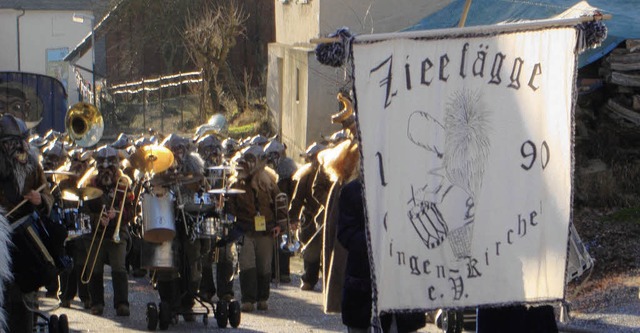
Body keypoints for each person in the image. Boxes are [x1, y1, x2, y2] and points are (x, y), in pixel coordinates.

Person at [338, 179, 426, 333]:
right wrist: (379, 242)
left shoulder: (410, 188)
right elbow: (346, 233)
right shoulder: (353, 190)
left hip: (402, 281)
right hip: (363, 280)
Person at [0, 114, 54, 332]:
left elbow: (48, 194)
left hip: (26, 232)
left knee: (25, 290)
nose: (18, 148)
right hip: (2, 234)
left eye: (21, 142)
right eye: (12, 143)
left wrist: (40, 200)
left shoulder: (33, 165)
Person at [225, 145, 287, 312]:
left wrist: (280, 226)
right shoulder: (236, 184)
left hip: (266, 230)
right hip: (245, 230)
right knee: (247, 264)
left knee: (264, 265)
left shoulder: (269, 182)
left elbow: (280, 203)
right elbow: (230, 208)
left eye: (252, 160)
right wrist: (229, 222)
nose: (248, 164)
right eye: (247, 160)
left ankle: (262, 298)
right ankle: (248, 299)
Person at [155, 133, 209, 321]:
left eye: (181, 149)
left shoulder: (195, 168)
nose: (178, 152)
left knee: (192, 262)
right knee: (166, 264)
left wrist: (191, 182)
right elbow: (151, 189)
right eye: (174, 149)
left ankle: (188, 303)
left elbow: (203, 189)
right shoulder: (159, 169)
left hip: (190, 220)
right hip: (166, 221)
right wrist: (165, 179)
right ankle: (168, 305)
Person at [80, 145, 134, 316]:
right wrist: (98, 220)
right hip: (95, 234)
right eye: (102, 168)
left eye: (110, 168)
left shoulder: (124, 184)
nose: (106, 172)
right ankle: (97, 303)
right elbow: (83, 213)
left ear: (116, 167)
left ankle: (121, 304)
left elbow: (132, 211)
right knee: (94, 267)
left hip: (117, 232)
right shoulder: (88, 185)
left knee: (119, 266)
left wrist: (117, 214)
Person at [58, 148, 93, 309]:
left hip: (84, 228)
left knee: (82, 264)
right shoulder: (63, 183)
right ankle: (65, 295)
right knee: (67, 265)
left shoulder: (91, 183)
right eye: (75, 162)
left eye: (82, 163)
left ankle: (86, 297)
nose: (78, 166)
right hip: (66, 226)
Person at [288, 142, 326, 291]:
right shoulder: (306, 176)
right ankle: (309, 279)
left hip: (328, 215)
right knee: (310, 250)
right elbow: (297, 199)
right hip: (310, 216)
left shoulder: (332, 172)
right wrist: (293, 218)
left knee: (330, 250)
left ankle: (330, 282)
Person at [264, 139, 298, 283]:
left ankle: (283, 272)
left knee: (284, 240)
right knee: (272, 240)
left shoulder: (288, 166)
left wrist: (291, 212)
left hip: (284, 205)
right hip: (271, 208)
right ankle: (272, 271)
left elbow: (293, 189)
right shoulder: (267, 169)